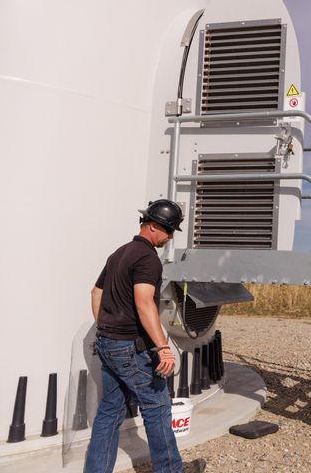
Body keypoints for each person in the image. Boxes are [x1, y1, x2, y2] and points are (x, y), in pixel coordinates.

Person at [85, 200, 205, 473]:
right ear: (152, 226)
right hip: (130, 348)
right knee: (157, 408)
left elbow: (96, 293)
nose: (171, 236)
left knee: (110, 412)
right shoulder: (147, 258)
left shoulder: (119, 253)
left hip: (108, 344)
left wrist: (104, 329)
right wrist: (163, 347)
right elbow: (144, 302)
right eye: (169, 230)